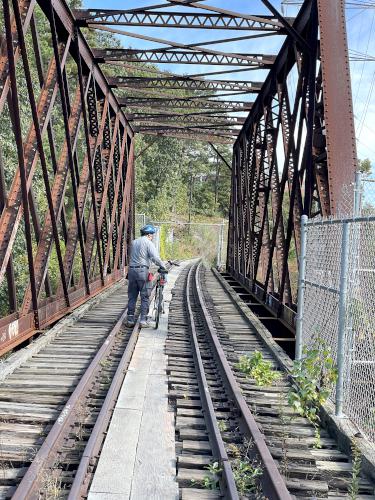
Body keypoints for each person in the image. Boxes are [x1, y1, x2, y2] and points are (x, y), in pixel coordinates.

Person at [126, 224, 167, 328]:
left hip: (131, 271)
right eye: (152, 235)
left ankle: (130, 320)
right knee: (144, 296)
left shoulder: (134, 242)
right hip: (142, 271)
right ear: (149, 235)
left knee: (132, 296)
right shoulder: (148, 243)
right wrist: (163, 266)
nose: (152, 237)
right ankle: (143, 320)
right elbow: (155, 258)